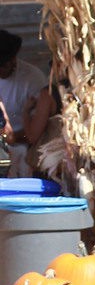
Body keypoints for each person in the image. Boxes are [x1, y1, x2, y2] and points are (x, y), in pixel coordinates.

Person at [0, 29, 51, 177]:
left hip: (25, 148)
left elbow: (37, 130)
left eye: (10, 63)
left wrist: (12, 138)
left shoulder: (33, 79)